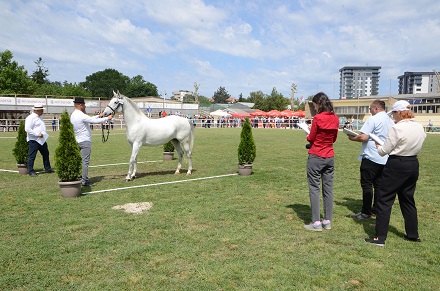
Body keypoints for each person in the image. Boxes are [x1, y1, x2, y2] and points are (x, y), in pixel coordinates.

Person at [365, 100, 426, 246]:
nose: (392, 117)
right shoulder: (419, 126)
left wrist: (379, 146)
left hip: (396, 164)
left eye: (393, 113)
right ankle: (413, 234)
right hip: (413, 164)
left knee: (384, 200)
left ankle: (380, 237)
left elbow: (384, 151)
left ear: (399, 112)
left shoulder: (397, 128)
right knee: (407, 200)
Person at [347, 100, 394, 220]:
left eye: (370, 108)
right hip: (384, 157)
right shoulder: (390, 120)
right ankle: (376, 209)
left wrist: (353, 138)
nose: (370, 111)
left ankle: (366, 212)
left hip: (371, 156)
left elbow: (364, 136)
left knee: (367, 184)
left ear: (376, 108)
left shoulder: (373, 119)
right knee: (378, 185)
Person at [304, 92, 340, 231]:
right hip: (329, 156)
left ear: (318, 104)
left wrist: (308, 132)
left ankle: (316, 222)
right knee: (328, 189)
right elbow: (334, 139)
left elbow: (311, 138)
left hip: (316, 155)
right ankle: (327, 220)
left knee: (314, 188)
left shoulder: (318, 118)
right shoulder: (335, 119)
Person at [70, 97, 113, 187]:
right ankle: (84, 181)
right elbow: (93, 121)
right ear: (80, 105)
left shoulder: (74, 114)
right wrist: (107, 118)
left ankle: (80, 177)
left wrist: (99, 116)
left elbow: (89, 119)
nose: (85, 106)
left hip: (77, 140)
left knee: (80, 161)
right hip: (85, 141)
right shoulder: (80, 114)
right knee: (85, 161)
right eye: (84, 104)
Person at [24, 104, 54, 177]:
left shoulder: (40, 117)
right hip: (34, 140)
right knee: (32, 155)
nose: (43, 111)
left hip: (41, 139)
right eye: (41, 110)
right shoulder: (30, 118)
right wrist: (37, 134)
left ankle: (47, 168)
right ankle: (30, 171)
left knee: (46, 153)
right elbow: (27, 129)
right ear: (37, 110)